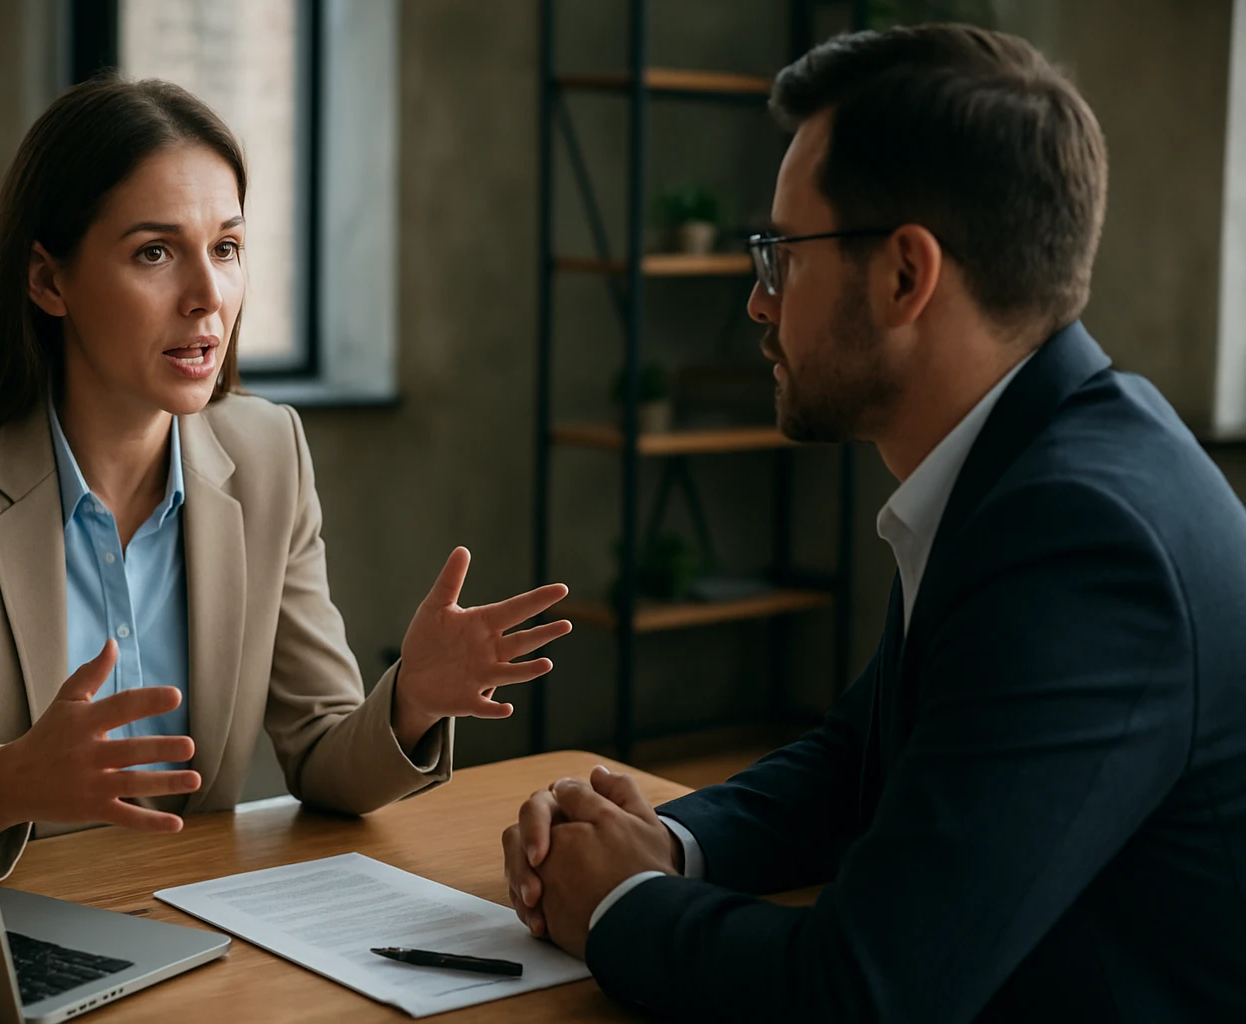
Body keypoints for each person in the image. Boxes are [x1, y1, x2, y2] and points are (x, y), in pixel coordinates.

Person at [502, 24, 1246, 1021]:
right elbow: (860, 760)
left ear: (906, 276)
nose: (758, 305)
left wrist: (619, 903)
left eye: (781, 254)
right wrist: (656, 839)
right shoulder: (1036, 457)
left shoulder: (1082, 538)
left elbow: (864, 993)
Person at [0, 76, 572, 881]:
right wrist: (7, 781)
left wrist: (411, 700)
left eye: (226, 248)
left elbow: (324, 752)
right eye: (155, 253)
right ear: (48, 281)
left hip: (197, 926)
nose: (208, 298)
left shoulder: (269, 452)